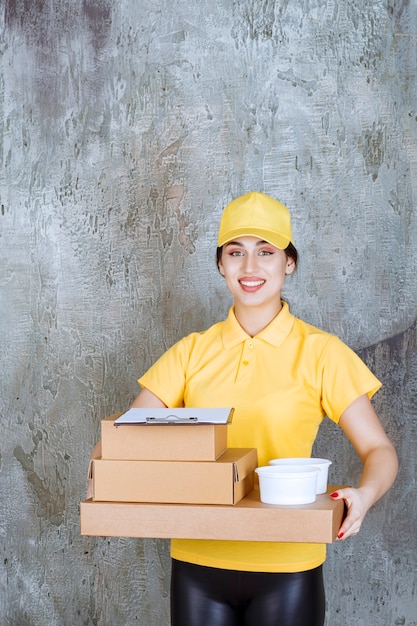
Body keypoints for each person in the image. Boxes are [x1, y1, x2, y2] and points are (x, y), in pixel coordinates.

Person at [129, 191, 398, 625]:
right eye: (235, 253)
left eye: (266, 252)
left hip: (288, 566)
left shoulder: (322, 353)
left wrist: (365, 495)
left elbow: (379, 451)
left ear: (288, 263)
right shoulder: (190, 353)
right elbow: (131, 438)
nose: (250, 268)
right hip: (198, 561)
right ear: (221, 264)